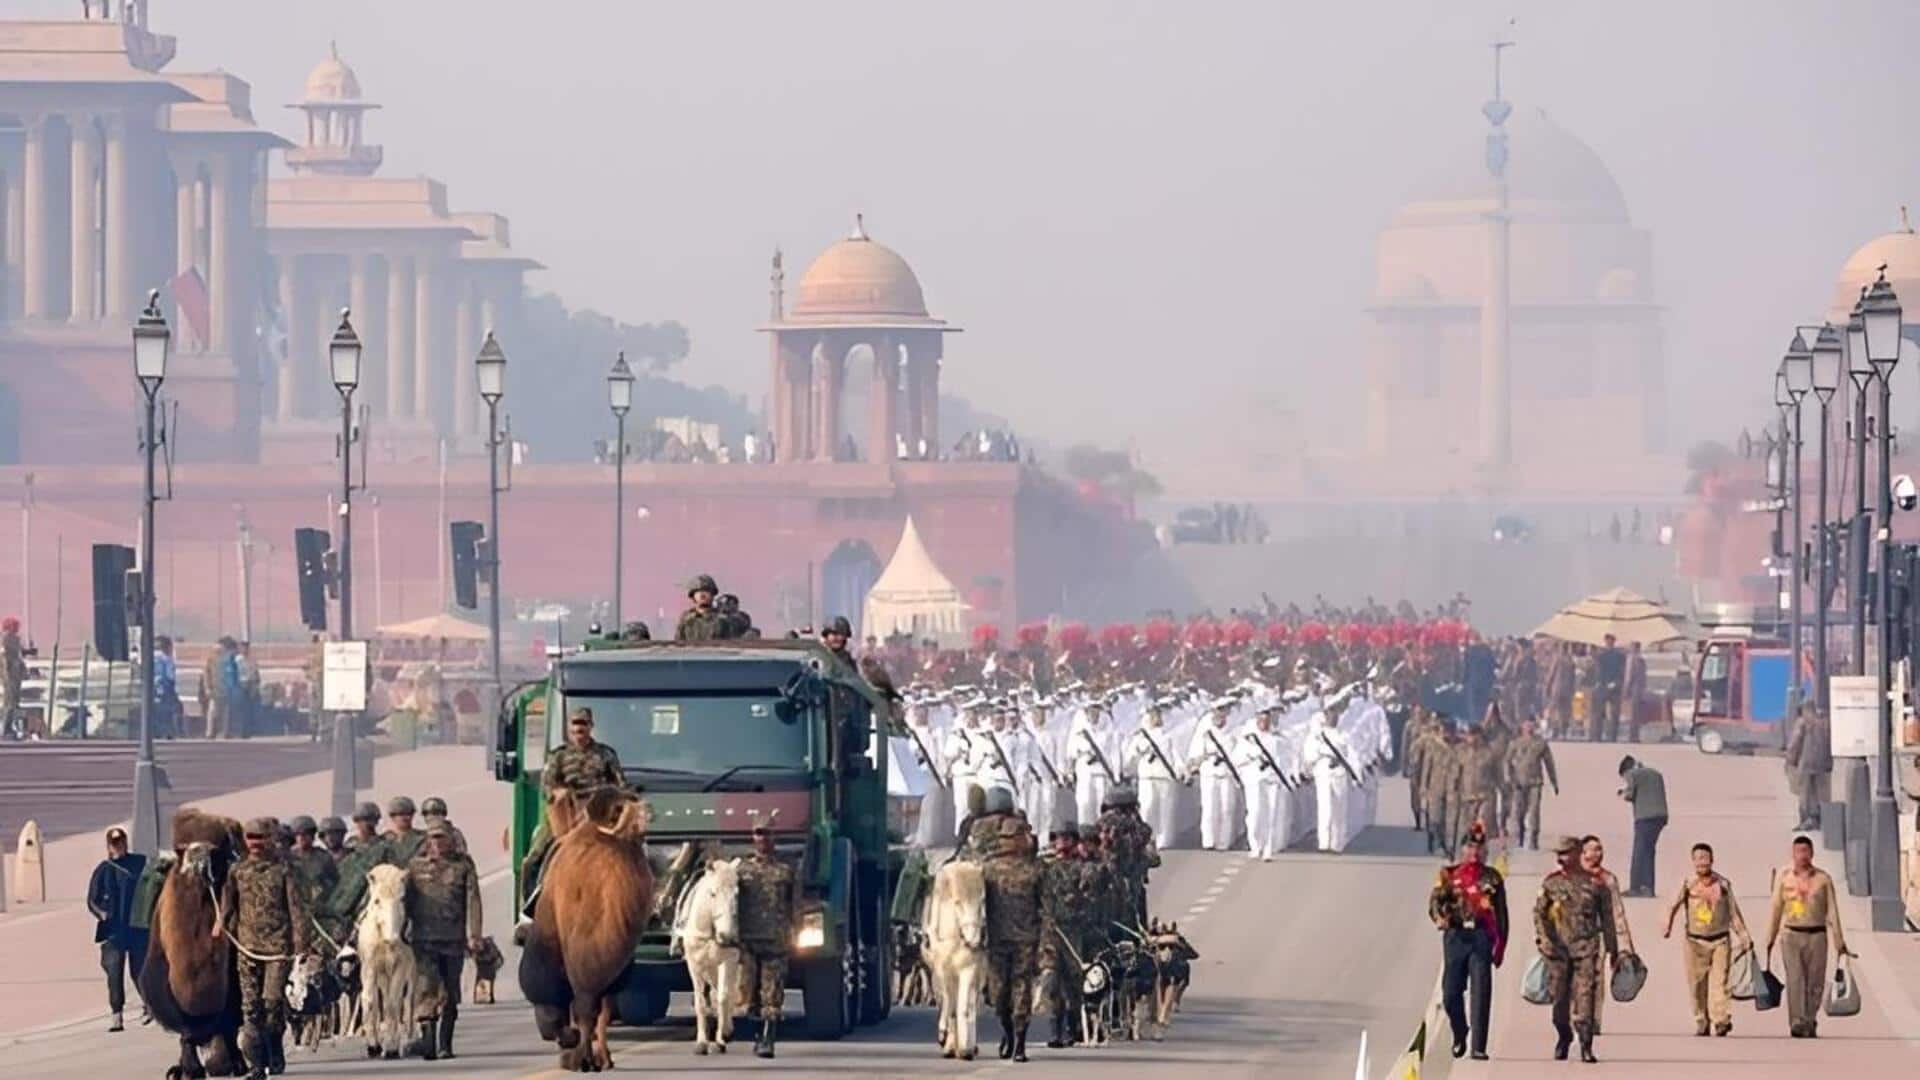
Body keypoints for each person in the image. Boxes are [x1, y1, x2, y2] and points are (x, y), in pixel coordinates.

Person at [220, 817, 310, 1080]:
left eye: (261, 838)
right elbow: (228, 906)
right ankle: (256, 1066)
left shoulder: (282, 871)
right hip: (247, 948)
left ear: (270, 839)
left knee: (271, 1004)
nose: (256, 843)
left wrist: (301, 942)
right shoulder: (237, 871)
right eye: (251, 838)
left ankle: (274, 1048)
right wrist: (220, 926)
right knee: (251, 1008)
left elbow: (296, 909)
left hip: (277, 948)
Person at [521, 707, 626, 892]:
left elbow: (620, 785)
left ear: (591, 726)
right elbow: (546, 786)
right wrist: (557, 792)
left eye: (583, 724)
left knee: (635, 851)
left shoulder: (605, 755)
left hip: (599, 815)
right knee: (534, 858)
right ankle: (531, 904)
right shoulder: (559, 756)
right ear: (569, 729)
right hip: (566, 815)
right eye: (575, 724)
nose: (579, 729)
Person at [1534, 835, 1615, 1063]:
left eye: (1566, 853)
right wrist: (1544, 940)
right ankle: (1563, 1035)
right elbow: (1540, 914)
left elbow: (1608, 919)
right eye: (1559, 854)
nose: (1561, 858)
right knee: (1559, 1000)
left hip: (1586, 948)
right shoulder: (1551, 883)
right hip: (1558, 952)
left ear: (1578, 852)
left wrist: (1614, 950)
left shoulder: (1596, 884)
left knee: (1585, 996)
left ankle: (1586, 1044)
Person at [1430, 825, 1507, 1061]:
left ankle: (1478, 1046)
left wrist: (1500, 946)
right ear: (1462, 848)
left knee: (1481, 992)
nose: (1474, 851)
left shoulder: (1492, 877)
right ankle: (1460, 1031)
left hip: (1481, 939)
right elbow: (1434, 904)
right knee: (1451, 994)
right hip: (1455, 938)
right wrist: (1440, 919)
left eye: (1479, 847)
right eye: (1470, 846)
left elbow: (1502, 915)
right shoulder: (1449, 875)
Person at [406, 823, 482, 1059]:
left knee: (450, 992)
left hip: (452, 940)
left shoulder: (463, 866)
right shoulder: (415, 867)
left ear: (451, 840)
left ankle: (445, 1044)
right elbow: (403, 902)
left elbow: (473, 900)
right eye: (433, 839)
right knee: (426, 989)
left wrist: (475, 934)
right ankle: (427, 1040)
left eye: (442, 838)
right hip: (423, 940)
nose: (438, 843)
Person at [1764, 835, 1851, 1038]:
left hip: (1817, 935)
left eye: (1806, 851)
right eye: (1798, 852)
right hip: (1791, 934)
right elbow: (1776, 908)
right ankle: (1797, 1020)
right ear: (1793, 854)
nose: (1802, 856)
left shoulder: (1823, 879)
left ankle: (1810, 1018)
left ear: (1812, 853)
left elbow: (1832, 912)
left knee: (1815, 982)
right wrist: (1769, 938)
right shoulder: (1784, 877)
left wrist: (1839, 941)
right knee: (1795, 979)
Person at [1661, 842, 1751, 1037]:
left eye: (1705, 857)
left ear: (1712, 860)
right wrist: (1667, 924)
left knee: (1720, 983)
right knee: (1697, 985)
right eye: (1698, 858)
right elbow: (1672, 905)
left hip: (1720, 941)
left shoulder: (1723, 884)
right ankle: (1701, 1020)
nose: (1702, 861)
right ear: (1693, 861)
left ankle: (1720, 1020)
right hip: (1694, 942)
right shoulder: (1688, 883)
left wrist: (1744, 935)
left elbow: (1733, 913)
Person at [980, 817, 1044, 1061]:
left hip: (1026, 939)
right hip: (997, 939)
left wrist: (1044, 942)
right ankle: (1007, 1031)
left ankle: (1020, 1043)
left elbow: (1044, 907)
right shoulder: (989, 869)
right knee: (999, 995)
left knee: (1022, 990)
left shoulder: (1035, 869)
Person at [737, 821, 799, 1058]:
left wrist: (796, 931)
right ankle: (755, 1036)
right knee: (747, 995)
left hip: (776, 939)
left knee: (772, 995)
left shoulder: (787, 869)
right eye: (758, 833)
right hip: (747, 941)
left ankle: (767, 1039)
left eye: (767, 833)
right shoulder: (741, 869)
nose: (763, 838)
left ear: (775, 836)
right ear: (752, 837)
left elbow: (795, 903)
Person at [86, 826, 148, 1032]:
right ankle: (116, 1015)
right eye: (114, 844)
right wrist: (102, 914)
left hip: (137, 928)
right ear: (108, 846)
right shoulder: (103, 870)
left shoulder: (139, 863)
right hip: (113, 931)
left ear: (125, 842)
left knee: (140, 969)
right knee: (114, 972)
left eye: (120, 842)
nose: (118, 846)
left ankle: (148, 1006)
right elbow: (92, 900)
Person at [1578, 835, 1636, 1036]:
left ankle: (1593, 1021)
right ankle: (1576, 1017)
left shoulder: (1608, 879)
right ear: (1582, 853)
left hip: (1599, 936)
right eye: (1592, 849)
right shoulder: (1571, 877)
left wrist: (1624, 946)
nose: (1597, 854)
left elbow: (1617, 912)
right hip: (1574, 935)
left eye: (1600, 849)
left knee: (1596, 978)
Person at [1123, 701, 1185, 850]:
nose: (1154, 718)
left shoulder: (1168, 735)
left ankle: (1165, 839)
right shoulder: (1140, 737)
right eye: (1152, 715)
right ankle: (1147, 837)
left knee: (1165, 808)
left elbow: (1176, 756)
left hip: (1164, 776)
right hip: (1147, 776)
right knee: (1147, 806)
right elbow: (1130, 757)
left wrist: (1181, 770)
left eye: (1156, 715)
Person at [1096, 785, 1159, 927]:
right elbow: (1153, 858)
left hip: (1116, 884)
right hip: (1124, 884)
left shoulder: (1103, 825)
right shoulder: (1137, 828)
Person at [1185, 701, 1241, 851]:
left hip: (1227, 772)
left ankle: (1224, 841)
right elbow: (1196, 752)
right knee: (1209, 807)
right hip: (1209, 771)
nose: (1220, 715)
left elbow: (1239, 753)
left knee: (1227, 808)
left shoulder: (1234, 731)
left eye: (1223, 711)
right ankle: (1209, 840)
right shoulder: (1205, 730)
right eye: (1217, 711)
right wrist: (1194, 764)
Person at [1238, 706, 1292, 861]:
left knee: (1271, 814)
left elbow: (1286, 759)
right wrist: (1252, 757)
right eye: (1261, 720)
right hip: (1254, 779)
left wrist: (1287, 777)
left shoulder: (1278, 739)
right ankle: (1255, 845)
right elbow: (1238, 759)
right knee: (1255, 814)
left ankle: (1268, 848)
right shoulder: (1248, 740)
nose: (1264, 723)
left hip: (1272, 779)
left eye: (1267, 720)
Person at [1304, 708, 1359, 852]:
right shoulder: (1316, 736)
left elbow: (1353, 757)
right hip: (1323, 772)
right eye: (1330, 715)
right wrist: (1321, 754)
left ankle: (1338, 843)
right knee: (1324, 808)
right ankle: (1323, 842)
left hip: (1339, 772)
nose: (1333, 718)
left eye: (1335, 715)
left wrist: (1356, 776)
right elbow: (1309, 755)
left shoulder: (1345, 735)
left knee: (1340, 809)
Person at [1505, 716, 1559, 850]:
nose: (1529, 727)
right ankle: (1520, 837)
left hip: (1535, 782)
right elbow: (1507, 762)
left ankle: (1533, 838)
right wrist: (1509, 778)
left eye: (1531, 724)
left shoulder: (1540, 743)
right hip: (1519, 783)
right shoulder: (1515, 743)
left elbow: (1549, 763)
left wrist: (1554, 782)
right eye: (1526, 724)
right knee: (1519, 812)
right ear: (1522, 726)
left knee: (1534, 811)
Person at [1617, 755, 1668, 897]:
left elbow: (1631, 794)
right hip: (1661, 816)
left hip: (1644, 817)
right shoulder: (1655, 773)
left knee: (1639, 852)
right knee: (1649, 852)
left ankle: (1635, 887)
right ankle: (1648, 887)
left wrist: (1624, 794)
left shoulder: (1632, 774)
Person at [1448, 724, 1498, 845]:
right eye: (1469, 735)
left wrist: (1506, 795)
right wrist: (1452, 793)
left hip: (1485, 797)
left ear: (1480, 736)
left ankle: (1479, 855)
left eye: (1475, 735)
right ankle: (1465, 854)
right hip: (1466, 796)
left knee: (1481, 827)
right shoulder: (1460, 751)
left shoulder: (1489, 753)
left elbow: (1499, 775)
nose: (1472, 738)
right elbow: (1454, 774)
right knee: (1467, 828)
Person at [1784, 706, 1833, 832]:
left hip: (1805, 762)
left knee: (1804, 792)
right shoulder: (1825, 721)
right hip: (1822, 763)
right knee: (1820, 792)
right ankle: (1818, 819)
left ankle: (1805, 820)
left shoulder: (1802, 722)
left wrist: (1790, 759)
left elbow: (1795, 742)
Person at [286, 815, 339, 926]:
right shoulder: (288, 858)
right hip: (294, 911)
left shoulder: (324, 858)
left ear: (312, 835)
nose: (301, 838)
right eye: (298, 834)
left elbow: (334, 884)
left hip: (319, 910)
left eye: (305, 834)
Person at [1594, 634, 1626, 742]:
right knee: (1605, 713)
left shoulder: (1602, 655)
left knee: (1608, 713)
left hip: (1607, 684)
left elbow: (1599, 671)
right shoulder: (1618, 655)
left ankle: (1603, 736)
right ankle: (1607, 736)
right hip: (1609, 684)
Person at [674, 574, 726, 641]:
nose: (702, 595)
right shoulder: (686, 619)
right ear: (693, 596)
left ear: (712, 594)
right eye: (698, 592)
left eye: (706, 591)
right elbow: (678, 644)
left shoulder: (722, 620)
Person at [382, 796, 426, 864]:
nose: (407, 817)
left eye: (409, 813)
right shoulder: (383, 841)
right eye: (401, 814)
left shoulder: (423, 838)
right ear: (392, 816)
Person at [1, 616, 25, 735]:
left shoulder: (16, 639)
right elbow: (4, 657)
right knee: (9, 700)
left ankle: (10, 725)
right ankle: (6, 726)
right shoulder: (5, 638)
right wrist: (6, 673)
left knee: (15, 700)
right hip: (9, 673)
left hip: (16, 673)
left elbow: (19, 656)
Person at [1622, 642, 1647, 742]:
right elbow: (1629, 676)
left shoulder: (1636, 659)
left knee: (1635, 713)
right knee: (1634, 713)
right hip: (1636, 688)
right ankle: (1633, 736)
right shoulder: (1636, 659)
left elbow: (1628, 676)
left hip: (1636, 688)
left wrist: (1626, 689)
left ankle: (1634, 735)